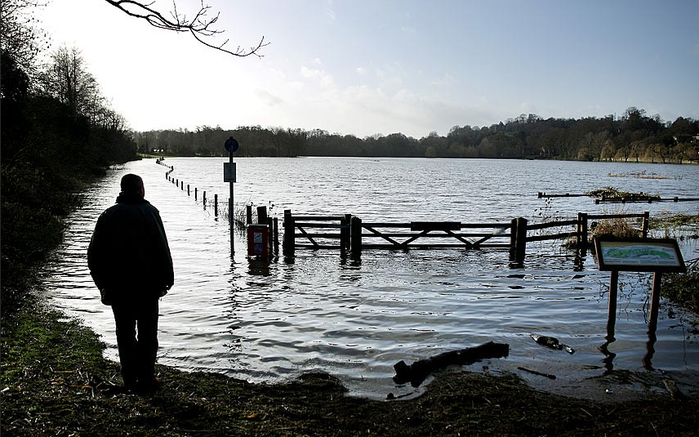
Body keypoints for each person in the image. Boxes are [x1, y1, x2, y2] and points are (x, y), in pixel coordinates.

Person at [88, 173, 174, 393]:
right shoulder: (150, 213)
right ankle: (146, 378)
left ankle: (129, 378)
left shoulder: (108, 215)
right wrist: (167, 279)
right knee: (147, 335)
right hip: (148, 287)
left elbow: (94, 256)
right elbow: (161, 248)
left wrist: (102, 285)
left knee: (125, 334)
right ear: (140, 189)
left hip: (119, 288)